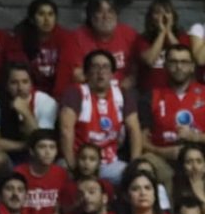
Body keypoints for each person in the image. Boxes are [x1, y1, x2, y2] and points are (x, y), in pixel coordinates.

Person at [138, 43, 205, 209]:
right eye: (173, 62)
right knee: (151, 166)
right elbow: (141, 139)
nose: (179, 67)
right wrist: (163, 152)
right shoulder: (151, 96)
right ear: (165, 65)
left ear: (192, 66)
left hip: (202, 159)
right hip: (165, 158)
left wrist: (196, 137)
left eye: (184, 62)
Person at [58, 49, 143, 185]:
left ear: (113, 74)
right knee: (59, 173)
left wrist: (134, 166)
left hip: (109, 163)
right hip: (78, 160)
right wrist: (73, 166)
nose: (100, 71)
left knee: (139, 179)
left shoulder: (123, 95)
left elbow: (134, 130)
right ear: (86, 73)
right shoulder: (75, 93)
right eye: (95, 67)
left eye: (105, 67)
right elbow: (66, 130)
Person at [61, 0, 140, 91]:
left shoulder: (129, 34)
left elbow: (140, 67)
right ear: (91, 16)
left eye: (110, 11)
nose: (106, 16)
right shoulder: (77, 38)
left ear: (116, 15)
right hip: (90, 93)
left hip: (123, 93)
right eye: (100, 12)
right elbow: (77, 75)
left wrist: (132, 79)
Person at [0, 62, 58, 169]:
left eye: (25, 82)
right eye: (14, 83)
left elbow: (41, 141)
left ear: (31, 84)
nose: (20, 87)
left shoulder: (46, 102)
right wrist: (24, 145)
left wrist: (25, 112)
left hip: (38, 158)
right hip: (9, 157)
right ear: (6, 85)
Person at [8, 0, 73, 96]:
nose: (47, 19)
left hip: (56, 92)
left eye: (51, 14)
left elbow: (64, 72)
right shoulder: (20, 38)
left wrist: (57, 97)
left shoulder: (64, 37)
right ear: (32, 19)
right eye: (41, 14)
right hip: (28, 92)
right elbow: (20, 73)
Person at [14, 129, 67, 214]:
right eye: (42, 147)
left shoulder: (61, 174)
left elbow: (58, 212)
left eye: (52, 147)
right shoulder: (18, 173)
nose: (47, 152)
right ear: (32, 151)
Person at [136, 0, 191, 93]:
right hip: (150, 92)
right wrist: (162, 33)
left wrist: (168, 31)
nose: (163, 16)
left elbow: (181, 54)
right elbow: (150, 60)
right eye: (157, 13)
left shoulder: (183, 37)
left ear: (173, 16)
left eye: (167, 12)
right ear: (151, 17)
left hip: (176, 91)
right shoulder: (142, 39)